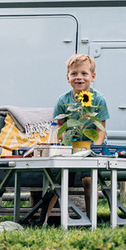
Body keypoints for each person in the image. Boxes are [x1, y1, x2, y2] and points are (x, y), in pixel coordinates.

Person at [51, 53, 110, 210]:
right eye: (74, 74)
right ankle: (46, 216)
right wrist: (66, 143)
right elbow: (60, 126)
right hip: (71, 147)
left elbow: (100, 129)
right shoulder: (63, 100)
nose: (79, 78)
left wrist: (94, 148)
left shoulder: (98, 99)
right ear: (67, 77)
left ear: (93, 76)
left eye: (84, 73)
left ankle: (92, 217)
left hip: (92, 147)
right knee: (59, 179)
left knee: (88, 180)